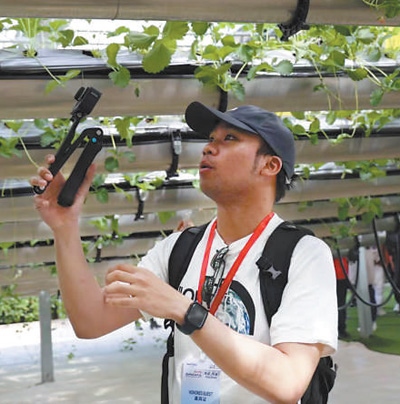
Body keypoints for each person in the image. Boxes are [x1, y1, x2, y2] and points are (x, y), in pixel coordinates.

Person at [31, 102, 338, 403]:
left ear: (270, 165)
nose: (209, 148)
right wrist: (65, 227)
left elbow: (288, 382)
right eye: (211, 139)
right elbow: (91, 321)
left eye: (229, 138)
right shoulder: (179, 248)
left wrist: (186, 310)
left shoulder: (304, 255)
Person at [333, 256, 350, 339]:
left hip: (338, 274)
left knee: (339, 304)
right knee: (340, 303)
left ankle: (340, 328)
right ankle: (341, 328)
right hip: (341, 273)